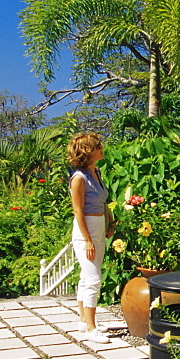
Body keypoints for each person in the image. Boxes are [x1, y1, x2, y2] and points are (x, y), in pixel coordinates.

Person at [67, 132, 115, 344]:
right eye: (97, 146)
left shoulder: (96, 172)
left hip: (99, 227)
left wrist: (110, 222)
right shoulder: (79, 178)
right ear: (87, 151)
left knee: (86, 278)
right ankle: (91, 328)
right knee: (94, 279)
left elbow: (103, 202)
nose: (101, 149)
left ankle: (83, 320)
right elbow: (78, 211)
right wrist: (87, 240)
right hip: (85, 230)